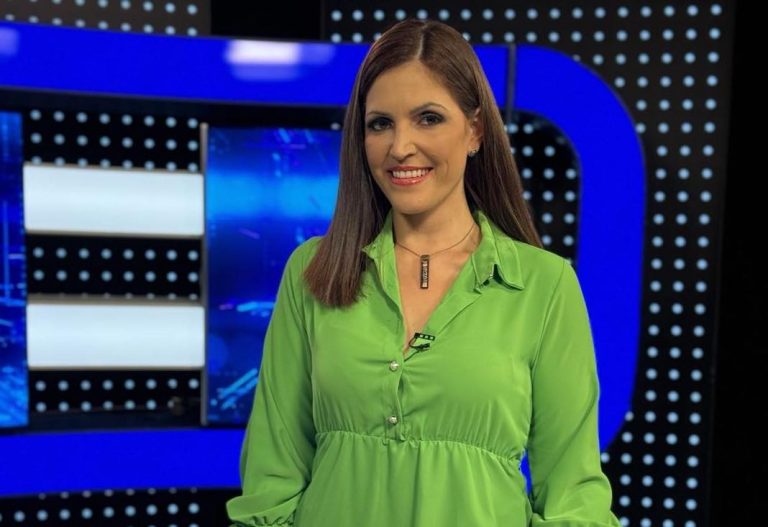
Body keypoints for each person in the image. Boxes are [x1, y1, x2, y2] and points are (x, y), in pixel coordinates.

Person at [227, 18, 620, 527]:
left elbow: (573, 499)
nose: (400, 147)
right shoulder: (314, 270)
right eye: (379, 124)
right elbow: (271, 479)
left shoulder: (544, 285)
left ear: (475, 130)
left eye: (428, 118)